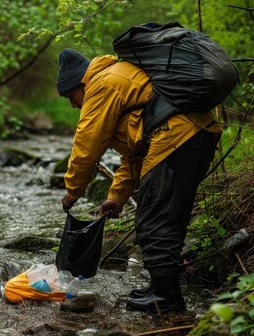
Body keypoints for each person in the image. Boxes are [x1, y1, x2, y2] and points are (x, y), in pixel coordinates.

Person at [56, 48, 222, 313]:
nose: (73, 105)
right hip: (194, 136)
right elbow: (133, 154)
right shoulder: (118, 78)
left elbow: (85, 146)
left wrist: (71, 192)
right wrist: (116, 197)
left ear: (79, 84)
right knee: (168, 215)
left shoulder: (101, 84)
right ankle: (161, 289)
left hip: (175, 138)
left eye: (70, 97)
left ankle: (167, 298)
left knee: (153, 218)